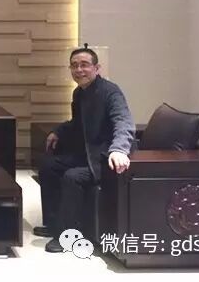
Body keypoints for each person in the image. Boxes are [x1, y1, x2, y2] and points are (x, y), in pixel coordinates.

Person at [35, 44, 134, 253]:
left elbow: (123, 122)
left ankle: (67, 235)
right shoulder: (79, 93)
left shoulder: (110, 92)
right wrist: (58, 131)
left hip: (103, 159)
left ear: (96, 68)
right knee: (47, 165)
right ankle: (54, 223)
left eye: (84, 65)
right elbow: (77, 123)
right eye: (74, 65)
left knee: (72, 176)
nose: (79, 70)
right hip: (86, 153)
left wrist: (119, 149)